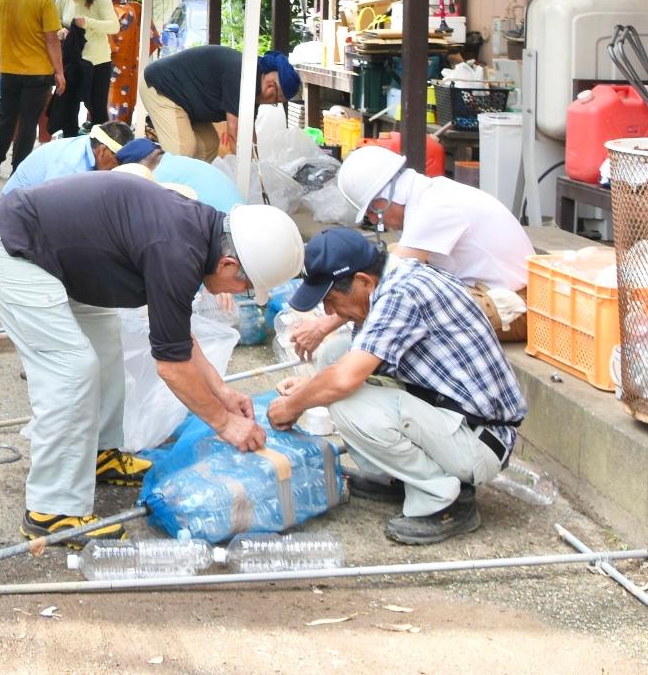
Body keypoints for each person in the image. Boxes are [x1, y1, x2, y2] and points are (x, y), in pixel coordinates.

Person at [0, 171, 305, 541]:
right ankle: (51, 510)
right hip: (11, 249)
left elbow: (175, 336)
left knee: (106, 348)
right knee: (71, 368)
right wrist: (226, 425)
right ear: (228, 264)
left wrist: (221, 392)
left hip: (55, 255)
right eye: (244, 284)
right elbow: (172, 367)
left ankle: (98, 455)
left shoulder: (199, 234)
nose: (238, 291)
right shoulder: (178, 249)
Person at [266, 228, 528, 545]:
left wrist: (292, 406)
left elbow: (345, 380)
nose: (332, 312)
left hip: (479, 443)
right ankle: (408, 478)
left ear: (363, 281)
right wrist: (310, 386)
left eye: (332, 300)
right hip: (461, 419)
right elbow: (351, 368)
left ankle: (445, 501)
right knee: (335, 356)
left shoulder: (401, 295)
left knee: (346, 402)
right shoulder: (397, 276)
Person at [286, 145, 535, 348]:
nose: (374, 220)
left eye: (373, 212)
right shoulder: (428, 195)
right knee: (392, 258)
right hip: (493, 295)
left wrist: (322, 326)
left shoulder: (435, 208)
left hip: (516, 308)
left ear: (384, 199)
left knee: (399, 301)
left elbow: (386, 282)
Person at [139, 43, 300, 159]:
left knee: (209, 144)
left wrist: (257, 167)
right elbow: (235, 131)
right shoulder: (243, 75)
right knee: (183, 152)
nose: (272, 104)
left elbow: (248, 133)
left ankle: (192, 193)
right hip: (162, 88)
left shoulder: (255, 84)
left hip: (185, 102)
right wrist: (247, 175)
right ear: (271, 88)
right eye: (276, 101)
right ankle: (166, 193)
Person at [0, 0, 64, 179]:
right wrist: (59, 72)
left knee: (6, 118)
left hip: (8, 70)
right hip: (38, 73)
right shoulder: (44, 0)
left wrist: (4, 56)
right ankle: (18, 169)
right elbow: (51, 39)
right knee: (28, 122)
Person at [48, 0, 120, 138]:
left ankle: (100, 149)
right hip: (72, 61)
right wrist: (60, 29)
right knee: (69, 107)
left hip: (98, 61)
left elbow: (114, 26)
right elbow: (55, 20)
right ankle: (70, 143)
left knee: (97, 109)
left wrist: (87, 22)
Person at [1, 121, 139, 195]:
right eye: (119, 161)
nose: (120, 168)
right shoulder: (71, 168)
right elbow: (54, 215)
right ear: (103, 151)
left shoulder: (89, 145)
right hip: (15, 216)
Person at [105, 0, 143, 126]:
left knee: (108, 99)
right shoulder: (134, 9)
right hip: (130, 66)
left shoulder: (108, 9)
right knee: (126, 100)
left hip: (109, 64)